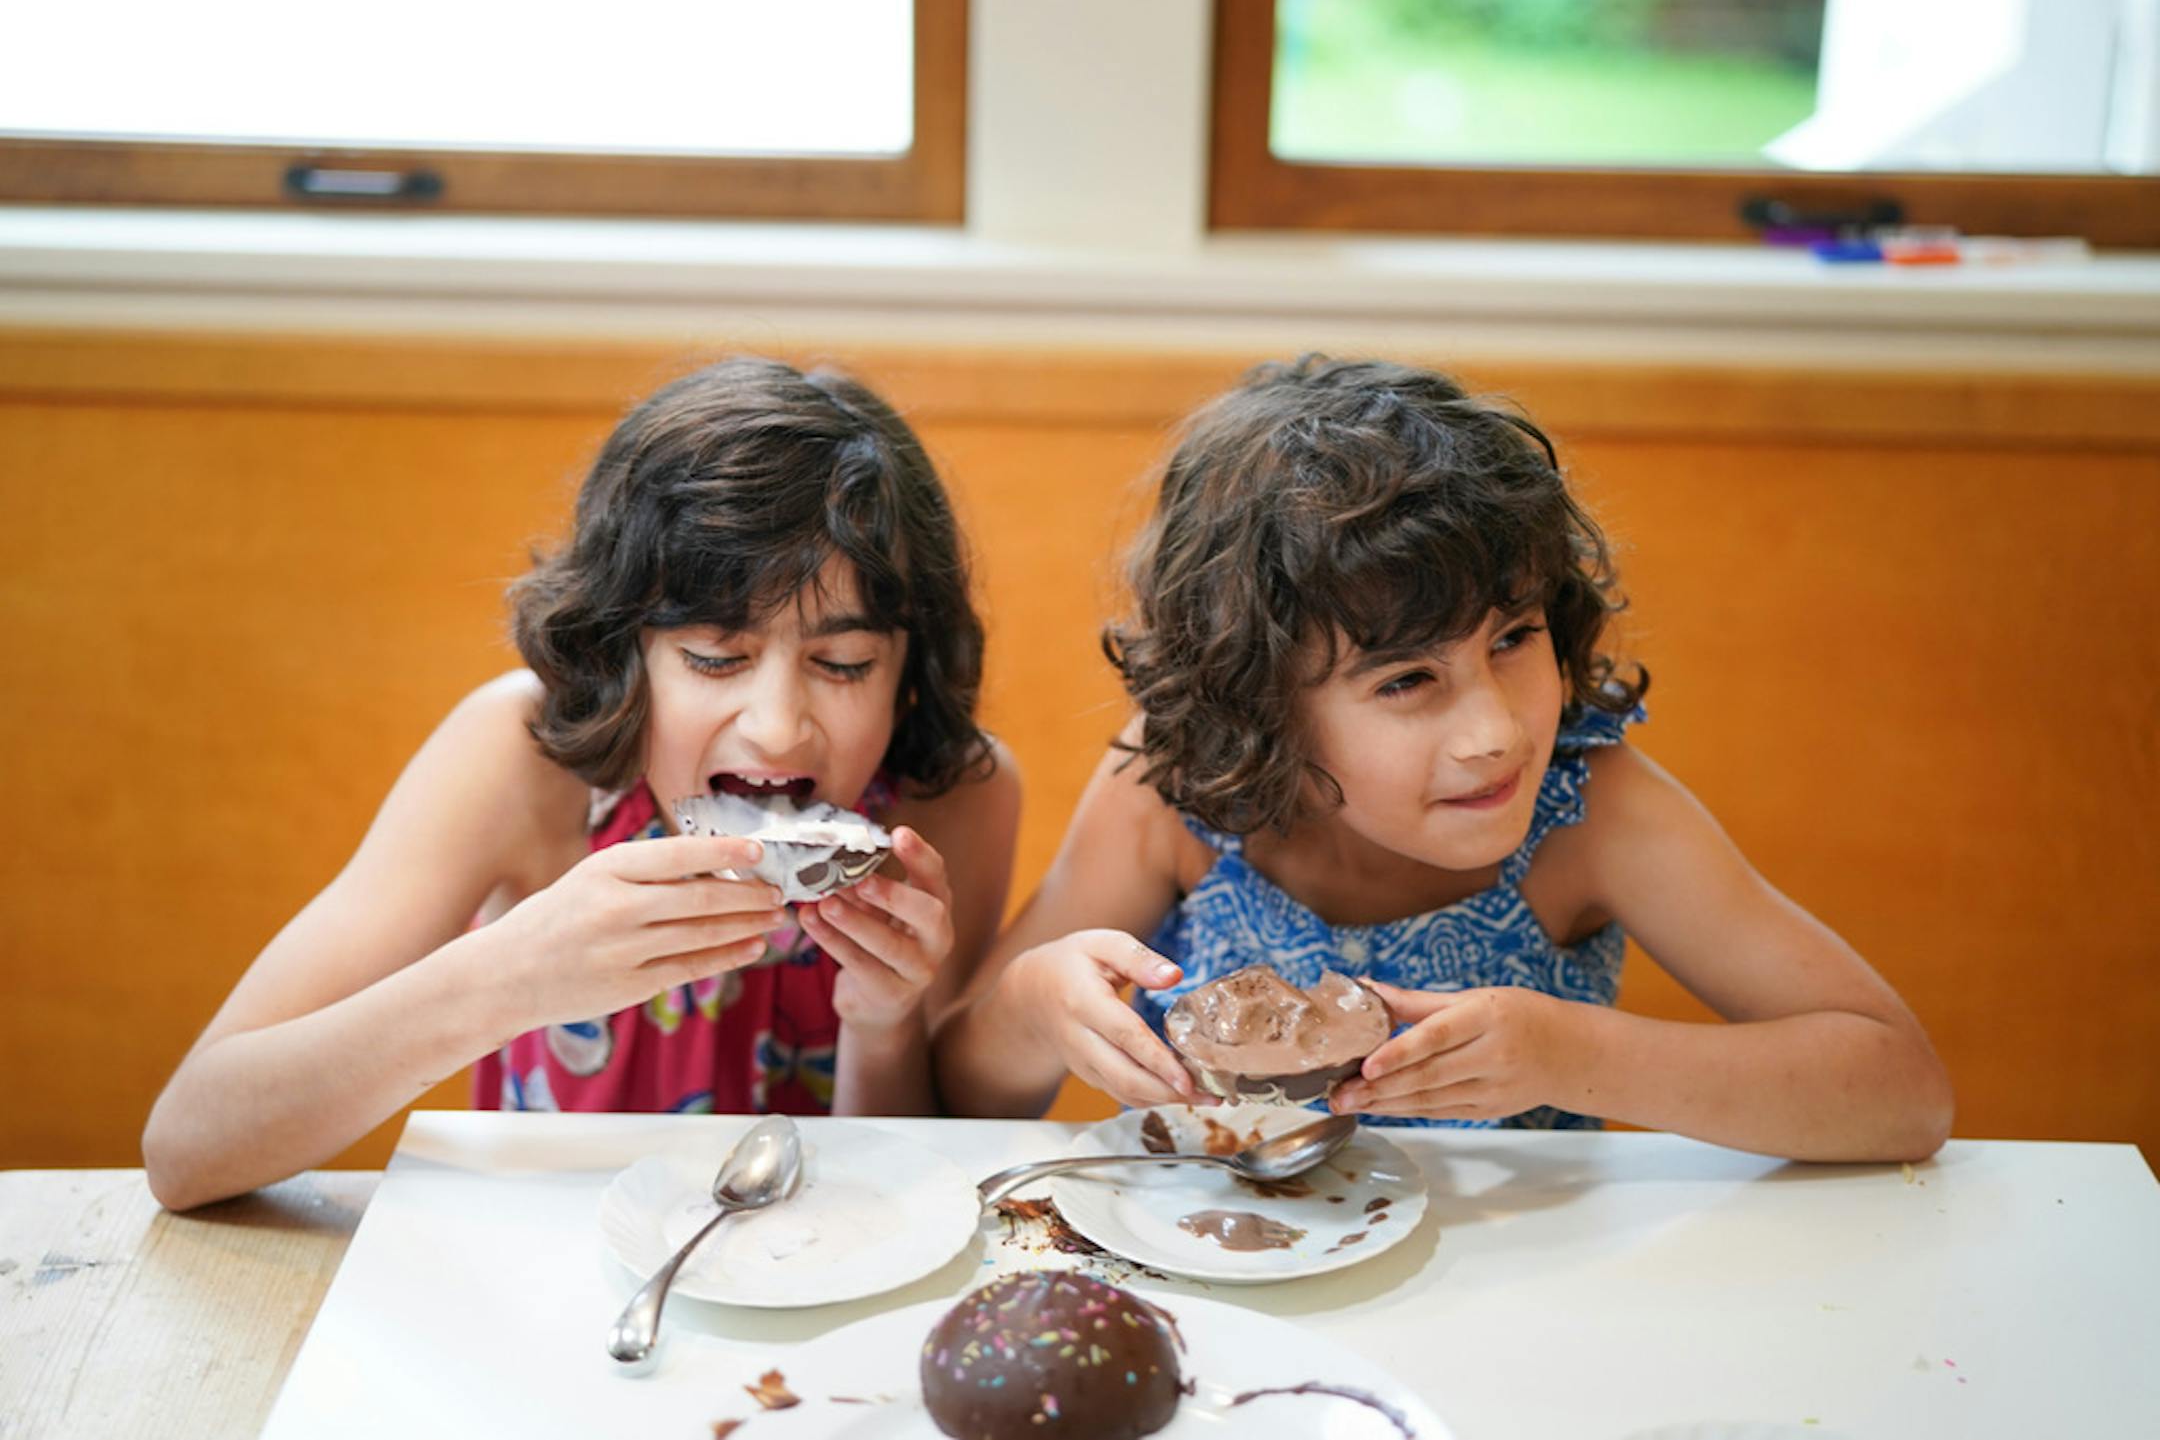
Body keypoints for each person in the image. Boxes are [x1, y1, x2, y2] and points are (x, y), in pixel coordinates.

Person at [935, 355, 1951, 1162]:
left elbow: (1903, 1092)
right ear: (1258, 705)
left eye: (1514, 637)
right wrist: (1034, 1008)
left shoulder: (1591, 812)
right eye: (1408, 680)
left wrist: (1577, 1056)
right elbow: (963, 1095)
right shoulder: (1171, 791)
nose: (1495, 731)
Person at [144, 357, 1020, 1210]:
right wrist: (510, 976)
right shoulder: (520, 758)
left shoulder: (949, 797)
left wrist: (883, 1024)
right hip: (535, 1276)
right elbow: (186, 1145)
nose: (778, 725)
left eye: (844, 662)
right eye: (715, 656)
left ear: (908, 669)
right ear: (622, 649)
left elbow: (916, 1202)